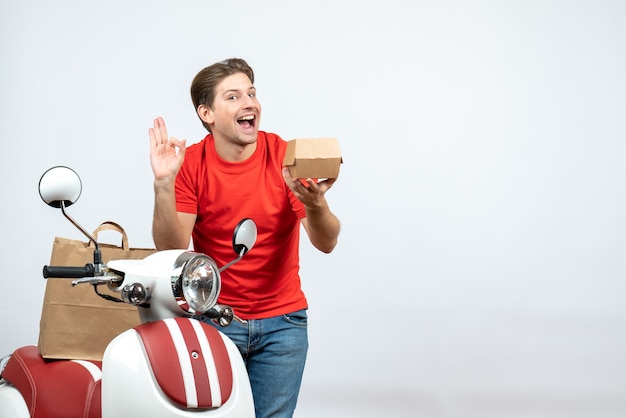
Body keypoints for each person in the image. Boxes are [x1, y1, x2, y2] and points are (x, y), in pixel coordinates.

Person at [148, 58, 340, 418]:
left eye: (251, 93)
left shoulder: (283, 156)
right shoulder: (191, 163)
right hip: (215, 320)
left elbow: (326, 241)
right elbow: (171, 248)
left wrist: (315, 205)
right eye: (233, 97)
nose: (249, 103)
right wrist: (163, 185)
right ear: (207, 113)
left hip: (283, 325)